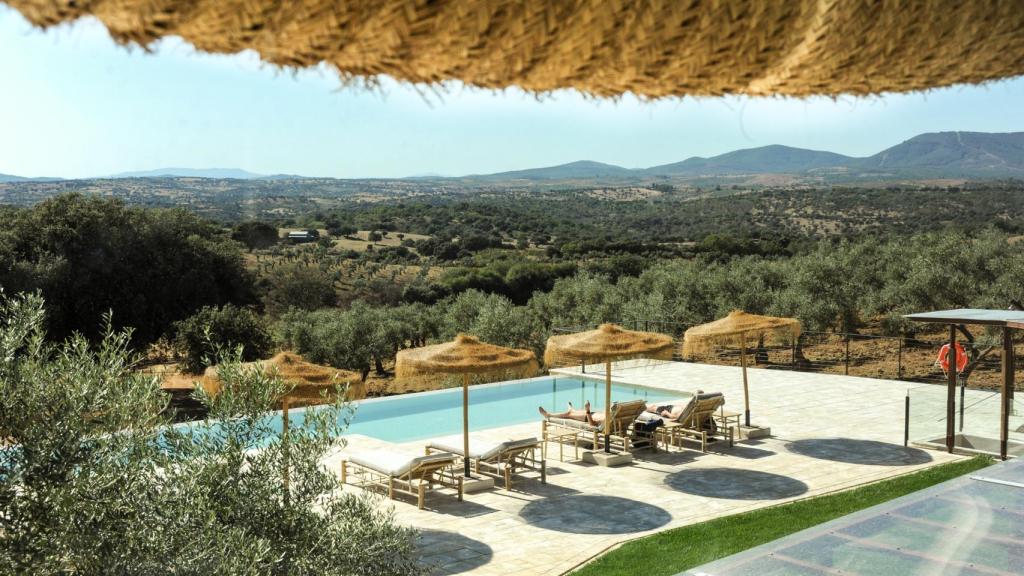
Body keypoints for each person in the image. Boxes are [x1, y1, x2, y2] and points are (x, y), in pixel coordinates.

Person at [538, 400, 604, 426]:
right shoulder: (611, 417)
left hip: (586, 417)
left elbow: (592, 424)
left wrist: (588, 410)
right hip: (591, 413)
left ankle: (548, 415)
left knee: (569, 414)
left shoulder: (605, 422)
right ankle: (571, 409)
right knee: (571, 412)